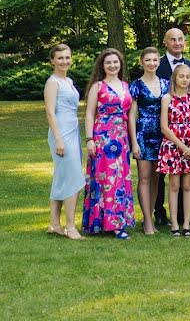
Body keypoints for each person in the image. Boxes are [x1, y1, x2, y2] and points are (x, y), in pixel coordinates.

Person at [82, 48, 134, 239]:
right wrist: (89, 139)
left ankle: (118, 221)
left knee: (120, 180)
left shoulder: (126, 86)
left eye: (115, 62)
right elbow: (89, 113)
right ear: (102, 66)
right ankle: (105, 223)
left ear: (120, 64)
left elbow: (129, 115)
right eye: (108, 63)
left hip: (122, 138)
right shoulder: (98, 86)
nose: (112, 65)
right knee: (104, 178)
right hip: (103, 137)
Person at [154, 27, 190, 228]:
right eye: (173, 39)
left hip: (189, 132)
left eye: (181, 39)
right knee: (163, 177)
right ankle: (160, 213)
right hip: (164, 129)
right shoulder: (158, 64)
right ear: (166, 42)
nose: (177, 43)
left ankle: (182, 217)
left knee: (185, 181)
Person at [158, 63, 190, 236]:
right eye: (181, 76)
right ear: (174, 78)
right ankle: (174, 224)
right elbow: (164, 126)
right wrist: (182, 146)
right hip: (173, 144)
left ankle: (186, 223)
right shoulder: (167, 98)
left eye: (188, 77)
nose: (185, 80)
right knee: (174, 185)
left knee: (187, 185)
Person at [44, 43, 84, 240]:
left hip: (72, 131)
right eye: (60, 58)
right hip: (61, 134)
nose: (64, 61)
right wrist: (59, 139)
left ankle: (54, 224)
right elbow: (50, 113)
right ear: (52, 60)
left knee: (61, 177)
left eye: (67, 57)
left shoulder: (68, 80)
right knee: (74, 178)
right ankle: (70, 226)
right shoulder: (53, 82)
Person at [128, 47, 169, 235]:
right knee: (144, 177)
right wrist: (134, 142)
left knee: (156, 178)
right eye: (148, 60)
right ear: (141, 62)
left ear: (158, 62)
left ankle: (149, 217)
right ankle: (146, 222)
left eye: (155, 60)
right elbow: (131, 115)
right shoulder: (136, 85)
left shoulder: (166, 84)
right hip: (143, 133)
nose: (151, 63)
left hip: (162, 134)